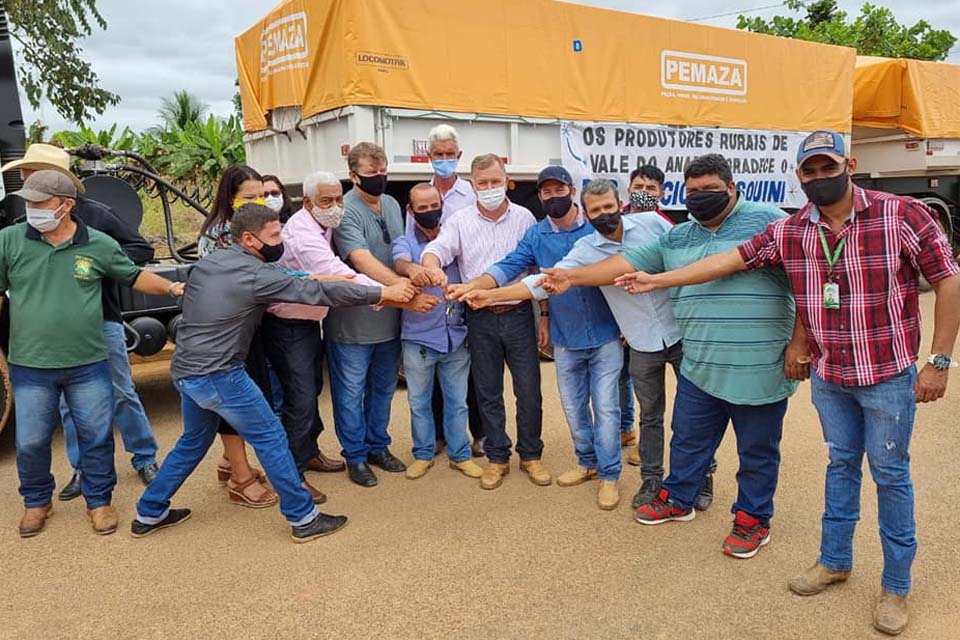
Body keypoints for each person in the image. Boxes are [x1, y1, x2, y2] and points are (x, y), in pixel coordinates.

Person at [617, 131, 960, 635]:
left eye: (828, 168)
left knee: (890, 476)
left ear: (849, 163)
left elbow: (948, 278)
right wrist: (657, 280)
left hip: (887, 375)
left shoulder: (902, 215)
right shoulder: (794, 229)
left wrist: (940, 360)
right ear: (799, 175)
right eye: (810, 171)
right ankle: (834, 561)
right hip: (831, 375)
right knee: (840, 466)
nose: (820, 178)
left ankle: (896, 586)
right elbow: (727, 261)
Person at [540, 154, 799, 559]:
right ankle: (678, 497)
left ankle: (752, 519)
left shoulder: (771, 220)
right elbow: (622, 264)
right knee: (689, 437)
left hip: (758, 364)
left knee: (757, 449)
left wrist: (800, 342)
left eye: (709, 190)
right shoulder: (680, 235)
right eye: (692, 191)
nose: (699, 198)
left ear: (732, 188)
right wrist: (570, 276)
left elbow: (807, 282)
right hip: (699, 359)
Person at [132, 204, 416, 543]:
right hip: (220, 374)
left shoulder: (214, 261)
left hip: (187, 371)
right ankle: (303, 517)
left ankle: (149, 512)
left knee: (193, 442)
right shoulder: (255, 275)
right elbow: (315, 293)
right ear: (250, 239)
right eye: (275, 236)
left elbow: (298, 280)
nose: (282, 241)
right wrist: (382, 292)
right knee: (271, 437)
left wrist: (323, 277)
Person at [3, 171, 184, 537]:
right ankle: (37, 502)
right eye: (29, 201)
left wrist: (174, 287)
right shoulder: (9, 241)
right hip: (30, 363)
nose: (31, 208)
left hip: (88, 362)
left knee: (96, 435)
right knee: (31, 439)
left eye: (40, 202)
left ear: (66, 205)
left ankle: (99, 501)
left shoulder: (98, 244)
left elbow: (133, 275)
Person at [525, 179, 713, 510]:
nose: (604, 214)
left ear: (620, 203)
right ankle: (652, 480)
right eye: (596, 210)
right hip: (641, 343)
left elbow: (686, 255)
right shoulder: (586, 250)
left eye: (609, 207)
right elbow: (547, 281)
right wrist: (491, 293)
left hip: (681, 334)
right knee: (650, 415)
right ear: (586, 212)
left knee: (695, 413)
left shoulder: (652, 222)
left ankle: (702, 476)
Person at [454, 167, 622, 509]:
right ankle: (587, 463)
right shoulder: (536, 235)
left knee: (605, 408)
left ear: (572, 191)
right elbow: (509, 266)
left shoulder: (597, 228)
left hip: (604, 334)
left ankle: (609, 475)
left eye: (559, 189)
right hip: (565, 337)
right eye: (546, 192)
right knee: (575, 410)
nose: (553, 196)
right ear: (540, 197)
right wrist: (477, 287)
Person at [420, 153, 547, 491]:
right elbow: (438, 248)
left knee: (529, 390)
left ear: (507, 180)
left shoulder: (525, 218)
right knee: (488, 391)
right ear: (472, 185)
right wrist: (432, 264)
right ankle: (497, 457)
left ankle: (531, 454)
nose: (490, 188)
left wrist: (545, 316)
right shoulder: (459, 220)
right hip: (479, 319)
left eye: (495, 181)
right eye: (483, 183)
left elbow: (538, 271)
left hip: (519, 314)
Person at [262, 171, 384, 499]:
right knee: (298, 400)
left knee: (310, 390)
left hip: (305, 323)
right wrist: (388, 292)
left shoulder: (322, 224)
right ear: (307, 202)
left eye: (338, 200)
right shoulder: (302, 234)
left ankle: (310, 451)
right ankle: (294, 475)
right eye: (326, 201)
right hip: (286, 325)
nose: (334, 207)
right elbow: (335, 274)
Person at [326, 142, 435, 487]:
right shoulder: (345, 210)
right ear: (353, 176)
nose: (380, 179)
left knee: (384, 388)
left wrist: (414, 273)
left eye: (384, 172)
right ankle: (355, 457)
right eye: (372, 174)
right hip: (353, 324)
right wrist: (400, 292)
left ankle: (378, 446)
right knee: (350, 392)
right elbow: (361, 259)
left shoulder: (389, 204)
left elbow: (399, 249)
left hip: (389, 322)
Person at [198, 165, 280, 508]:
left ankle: (231, 462)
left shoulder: (248, 227)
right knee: (235, 404)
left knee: (248, 396)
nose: (258, 201)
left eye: (261, 194)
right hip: (229, 332)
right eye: (249, 196)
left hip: (247, 328)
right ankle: (240, 479)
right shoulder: (220, 236)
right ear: (229, 198)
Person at [393, 183, 484, 480]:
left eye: (435, 205)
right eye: (422, 208)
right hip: (419, 338)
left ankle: (460, 455)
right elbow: (400, 261)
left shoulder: (455, 236)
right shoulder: (405, 241)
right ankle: (423, 453)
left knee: (457, 401)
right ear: (411, 210)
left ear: (442, 203)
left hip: (456, 335)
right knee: (418, 401)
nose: (430, 212)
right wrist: (413, 270)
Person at [415, 123, 485, 457]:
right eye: (438, 154)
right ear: (429, 157)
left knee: (472, 370)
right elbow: (413, 244)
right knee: (439, 369)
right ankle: (441, 437)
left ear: (459, 156)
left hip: (468, 289)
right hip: (434, 294)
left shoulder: (473, 193)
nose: (444, 160)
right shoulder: (421, 194)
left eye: (449, 154)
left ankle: (480, 433)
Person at [620, 164, 671, 465]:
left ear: (663, 193)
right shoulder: (617, 224)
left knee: (654, 395)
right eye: (638, 187)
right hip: (626, 323)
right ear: (628, 189)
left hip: (663, 322)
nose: (643, 193)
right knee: (622, 382)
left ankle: (650, 446)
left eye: (651, 189)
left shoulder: (668, 228)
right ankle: (627, 430)